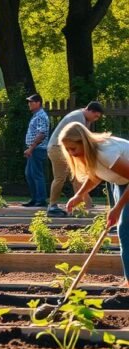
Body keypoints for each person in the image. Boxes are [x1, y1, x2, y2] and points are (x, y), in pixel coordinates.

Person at [60, 122, 129, 286]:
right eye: (67, 150)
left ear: (83, 142)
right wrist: (79, 195)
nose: (71, 153)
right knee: (124, 230)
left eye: (73, 149)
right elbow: (95, 175)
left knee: (125, 227)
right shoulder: (90, 154)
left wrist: (117, 208)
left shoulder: (106, 153)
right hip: (120, 182)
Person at [47, 101, 105, 216]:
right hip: (57, 148)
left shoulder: (82, 118)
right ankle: (52, 207)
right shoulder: (78, 118)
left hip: (63, 148)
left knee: (76, 177)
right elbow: (81, 140)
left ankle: (86, 205)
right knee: (60, 178)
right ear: (90, 110)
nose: (96, 119)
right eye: (96, 116)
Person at [23, 93, 50, 208]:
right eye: (29, 102)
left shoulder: (40, 116)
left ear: (38, 103)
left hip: (37, 149)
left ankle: (41, 200)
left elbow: (42, 134)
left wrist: (31, 148)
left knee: (36, 174)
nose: (29, 104)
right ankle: (35, 199)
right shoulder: (36, 115)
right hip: (34, 149)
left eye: (31, 102)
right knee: (29, 174)